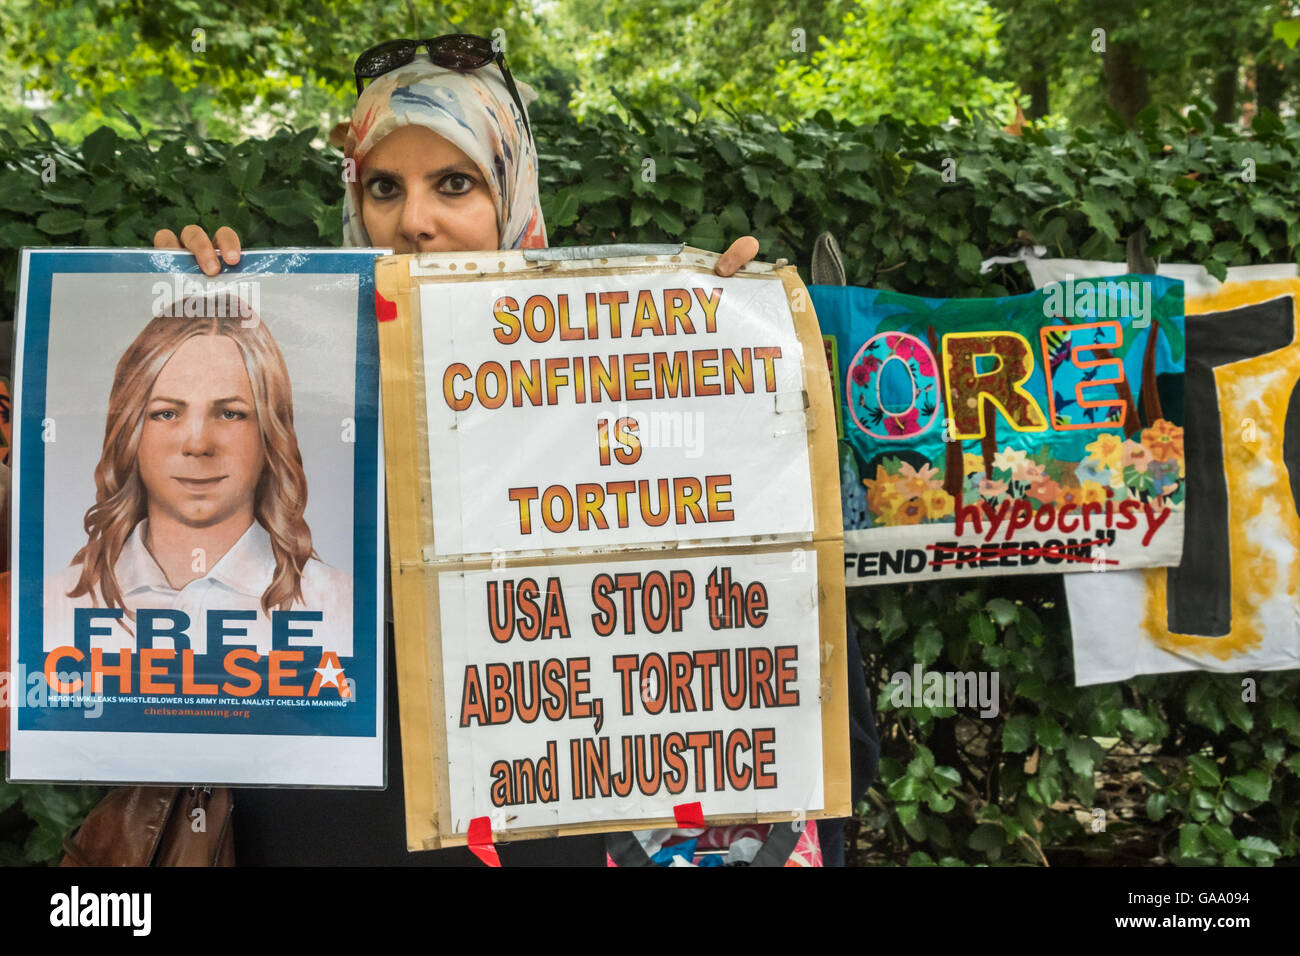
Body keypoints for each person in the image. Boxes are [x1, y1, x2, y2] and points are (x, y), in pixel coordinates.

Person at [154, 35, 760, 865]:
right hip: (329, 792)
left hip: (547, 786)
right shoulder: (284, 362)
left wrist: (724, 356)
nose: (413, 222)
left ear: (511, 194)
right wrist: (165, 312)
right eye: (383, 188)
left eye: (454, 183)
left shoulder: (612, 362)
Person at [46, 296, 352, 659]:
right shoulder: (58, 601)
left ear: (271, 433)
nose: (198, 443)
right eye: (166, 413)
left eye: (230, 414)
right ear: (130, 431)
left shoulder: (338, 603)